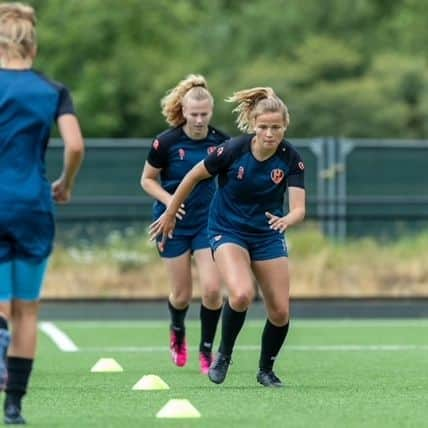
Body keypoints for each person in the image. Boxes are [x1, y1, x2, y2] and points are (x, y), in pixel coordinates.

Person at [150, 87, 305, 387]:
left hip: (267, 235)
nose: (270, 134)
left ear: (285, 126)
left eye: (276, 127)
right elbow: (193, 176)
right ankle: (223, 354)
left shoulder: (291, 158)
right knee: (241, 294)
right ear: (252, 124)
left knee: (280, 311)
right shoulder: (233, 149)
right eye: (263, 127)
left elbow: (299, 209)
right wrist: (171, 211)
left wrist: (287, 219)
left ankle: (266, 369)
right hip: (227, 230)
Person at [0, 3, 84, 424]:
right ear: (32, 44)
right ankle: (13, 405)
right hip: (32, 202)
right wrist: (65, 185)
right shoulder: (53, 90)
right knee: (26, 309)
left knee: (0, 301)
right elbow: (74, 146)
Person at [140, 75, 229, 374]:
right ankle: (177, 330)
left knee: (214, 291)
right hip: (171, 224)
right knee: (181, 295)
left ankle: (206, 348)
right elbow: (147, 180)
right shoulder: (165, 142)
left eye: (204, 114)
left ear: (211, 111)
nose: (199, 120)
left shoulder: (221, 143)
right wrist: (169, 203)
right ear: (184, 111)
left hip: (207, 224)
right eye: (194, 114)